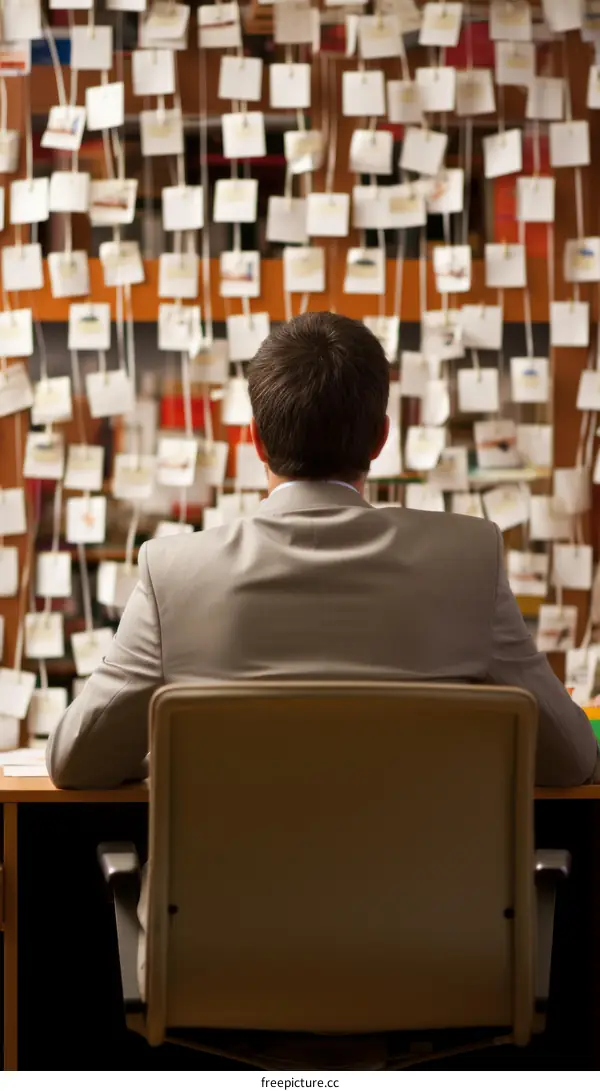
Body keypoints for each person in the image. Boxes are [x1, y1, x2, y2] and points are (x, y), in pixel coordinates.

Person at [48, 311, 599, 790]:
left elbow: (77, 760)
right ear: (381, 439)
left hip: (230, 911)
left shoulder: (173, 573)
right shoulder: (467, 559)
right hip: (426, 910)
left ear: (257, 442)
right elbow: (572, 759)